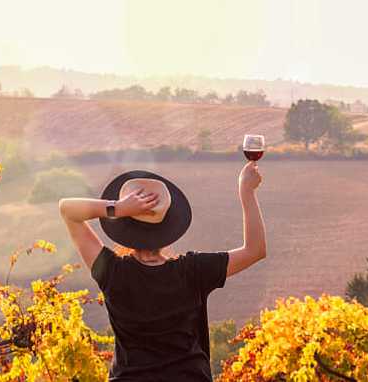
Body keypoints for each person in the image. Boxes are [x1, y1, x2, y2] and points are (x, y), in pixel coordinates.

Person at [58, 161, 266, 381]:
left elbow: (67, 209)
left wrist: (118, 208)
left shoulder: (112, 272)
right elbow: (255, 250)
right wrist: (247, 190)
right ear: (170, 224)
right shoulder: (193, 271)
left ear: (125, 227)